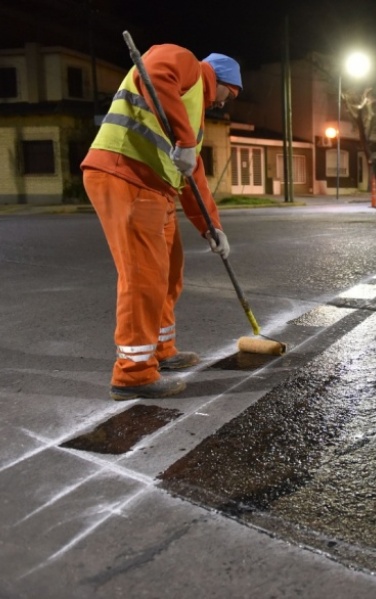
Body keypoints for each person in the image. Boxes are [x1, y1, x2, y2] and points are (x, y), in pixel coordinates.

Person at [81, 45, 242, 401]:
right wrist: (184, 140)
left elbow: (193, 174)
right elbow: (151, 73)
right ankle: (133, 373)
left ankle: (161, 351)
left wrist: (211, 227)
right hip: (125, 174)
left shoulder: (194, 114)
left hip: (156, 188)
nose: (223, 104)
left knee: (169, 273)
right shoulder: (186, 64)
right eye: (228, 95)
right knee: (143, 275)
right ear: (219, 80)